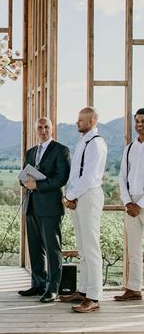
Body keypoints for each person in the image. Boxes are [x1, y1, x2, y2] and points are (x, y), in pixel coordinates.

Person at [60, 107, 107, 313]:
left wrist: (69, 196)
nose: (77, 122)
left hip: (88, 195)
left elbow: (88, 177)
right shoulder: (84, 142)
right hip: (79, 196)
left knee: (91, 248)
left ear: (93, 120)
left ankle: (94, 298)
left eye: (81, 120)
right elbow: (76, 175)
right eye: (78, 119)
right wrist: (71, 195)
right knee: (82, 248)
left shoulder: (96, 144)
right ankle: (84, 290)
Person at [18, 117, 70, 303]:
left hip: (50, 208)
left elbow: (61, 179)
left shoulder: (61, 150)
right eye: (39, 127)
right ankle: (38, 283)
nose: (43, 130)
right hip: (31, 206)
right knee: (34, 248)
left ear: (52, 128)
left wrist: (37, 185)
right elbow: (23, 175)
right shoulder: (31, 152)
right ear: (35, 130)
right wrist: (24, 181)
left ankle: (52, 288)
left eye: (46, 127)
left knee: (52, 249)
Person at [114, 108, 144, 302]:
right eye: (137, 121)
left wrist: (141, 204)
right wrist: (127, 202)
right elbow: (122, 177)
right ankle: (133, 289)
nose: (139, 124)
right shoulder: (129, 148)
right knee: (133, 250)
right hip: (131, 203)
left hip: (141, 203)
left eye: (143, 121)